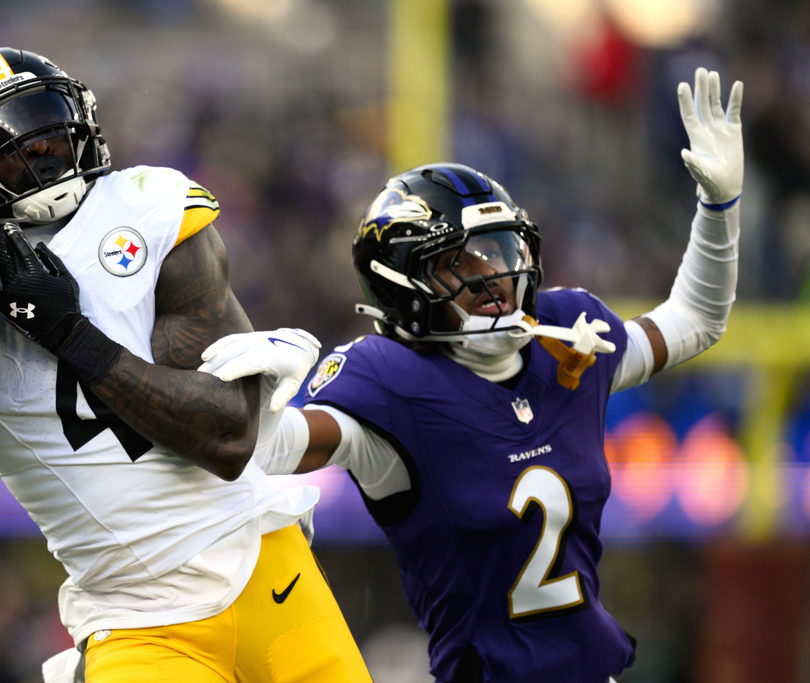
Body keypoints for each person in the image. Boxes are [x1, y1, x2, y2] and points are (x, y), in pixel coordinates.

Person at [197, 67, 744, 682]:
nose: (494, 278)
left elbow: (695, 321)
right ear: (402, 287)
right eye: (459, 263)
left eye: (500, 252)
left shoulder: (568, 334)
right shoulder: (390, 382)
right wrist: (258, 404)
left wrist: (718, 207)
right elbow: (264, 450)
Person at [0, 47, 371, 683]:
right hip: (133, 620)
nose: (43, 146)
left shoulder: (147, 206)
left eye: (50, 122)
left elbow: (227, 437)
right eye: (14, 137)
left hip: (262, 568)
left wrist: (68, 333)